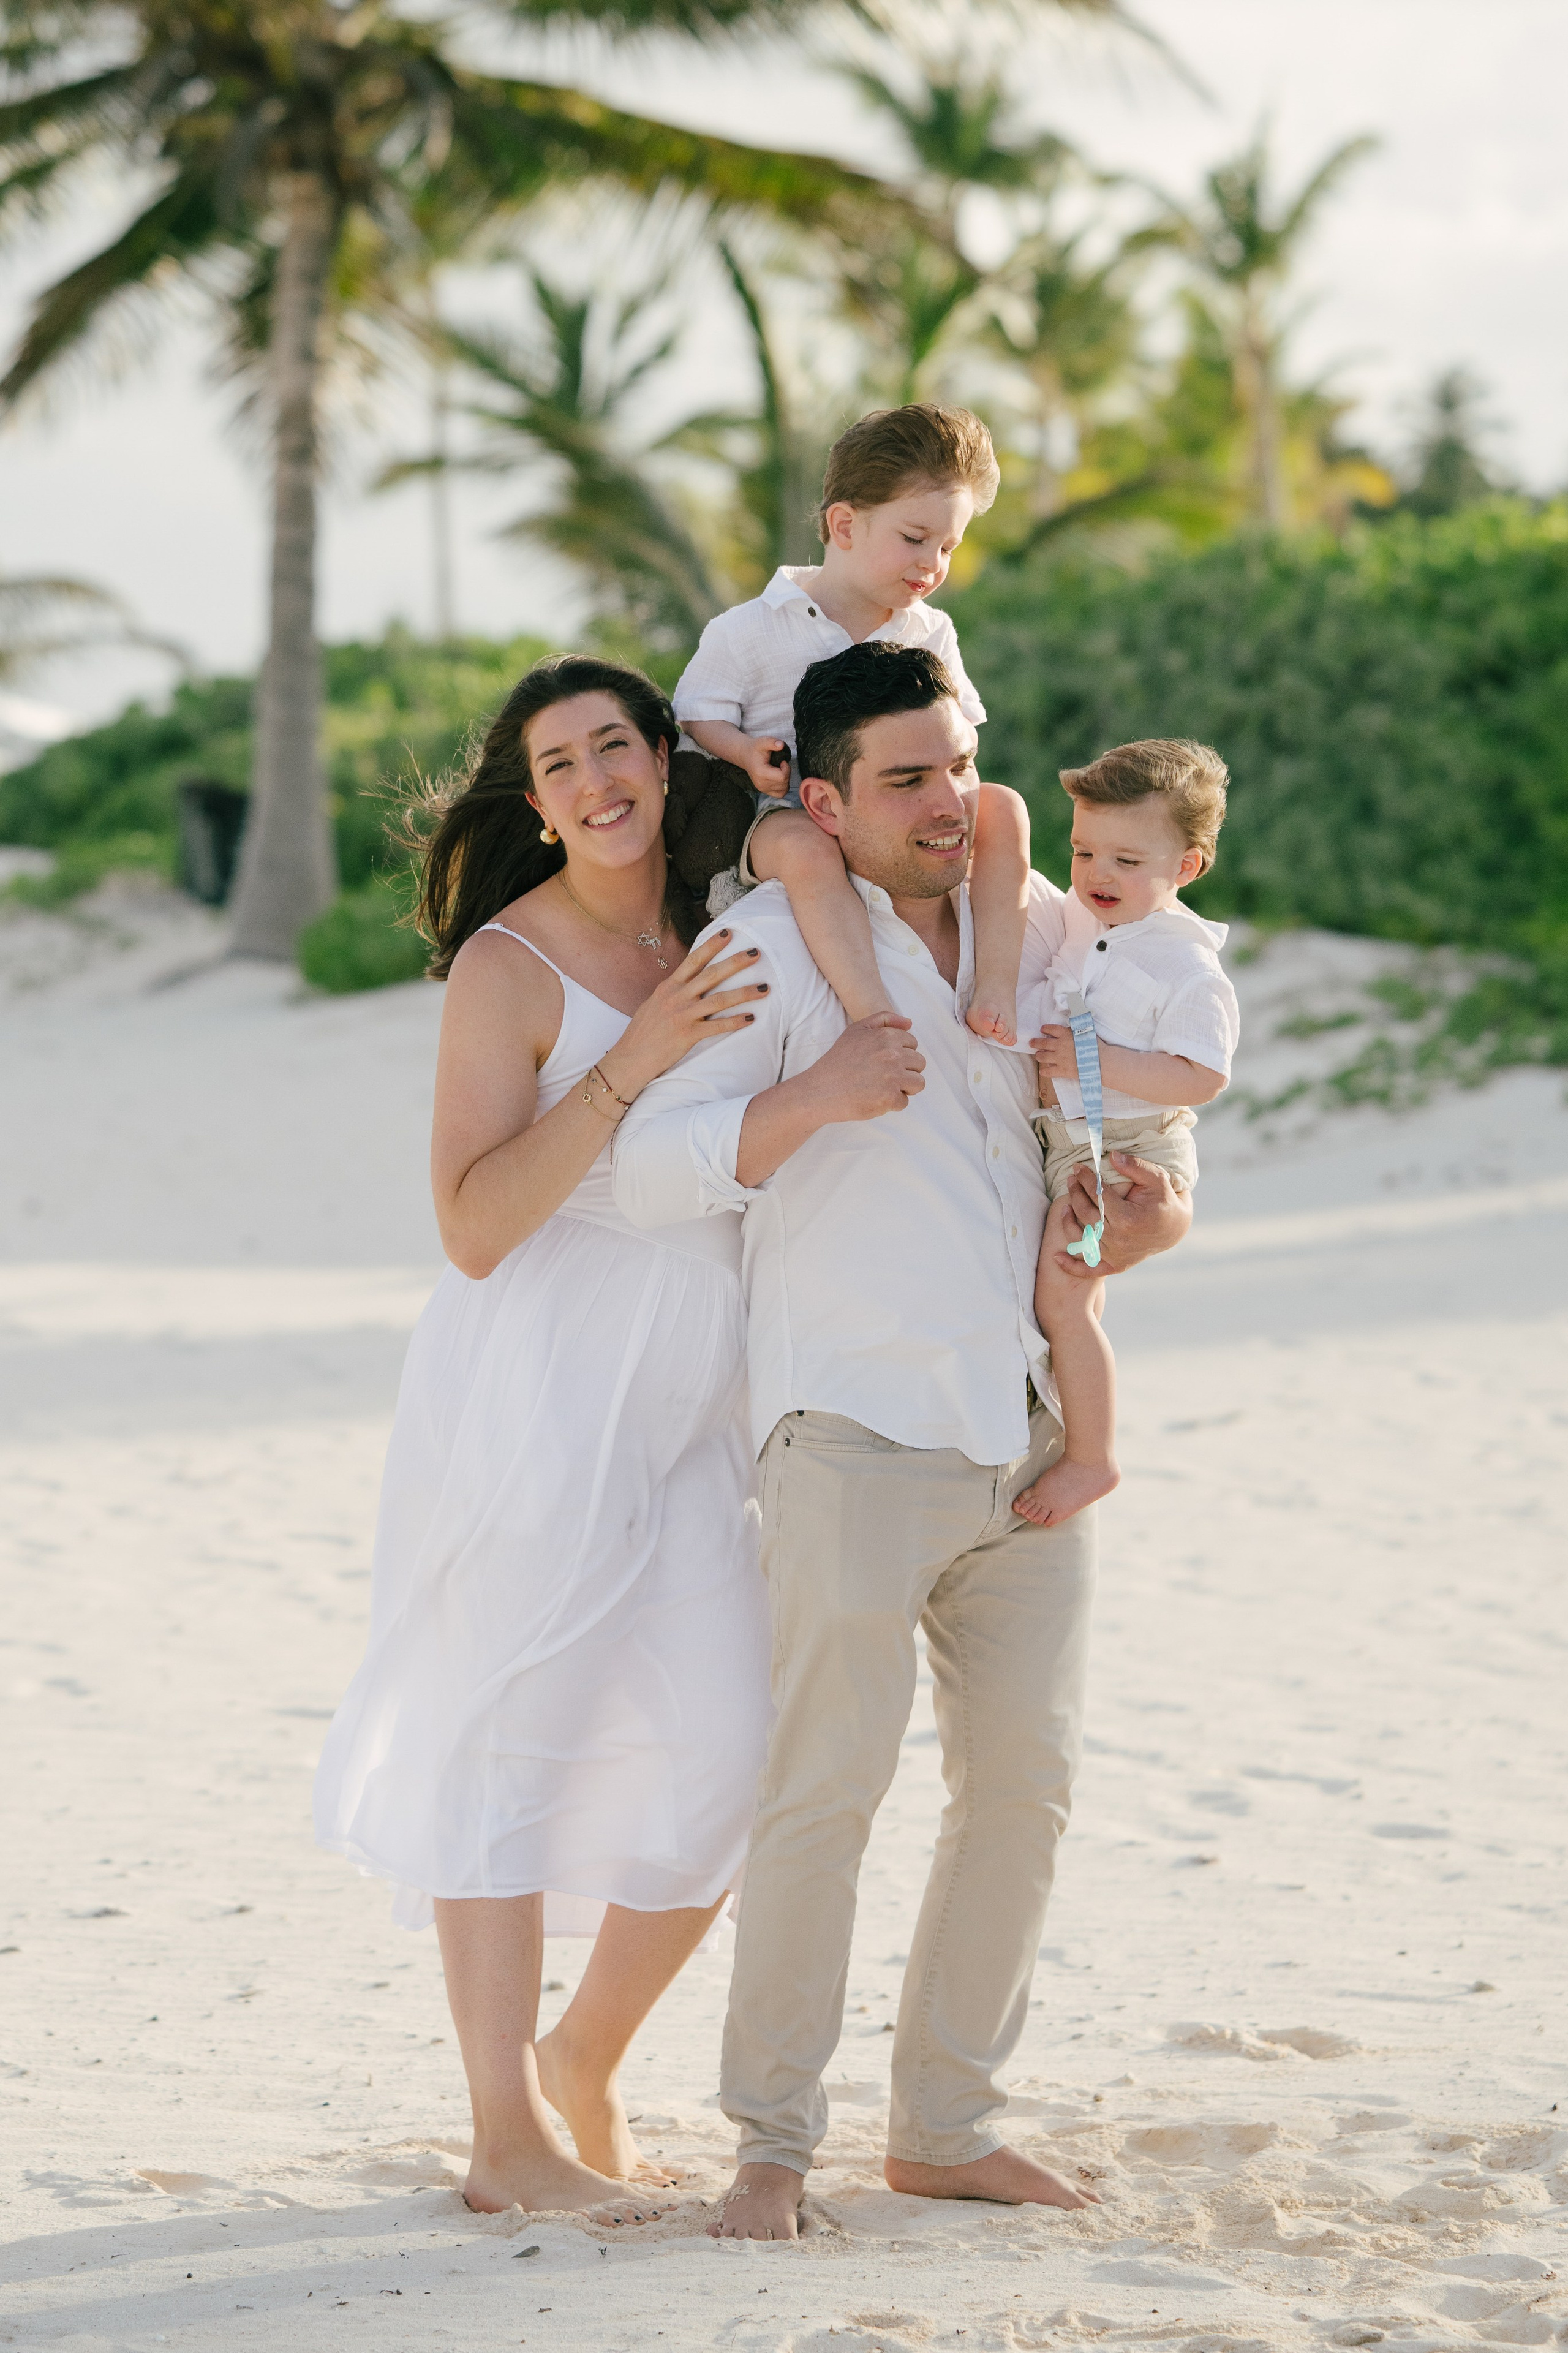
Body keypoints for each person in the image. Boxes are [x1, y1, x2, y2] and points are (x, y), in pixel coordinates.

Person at [612, 641, 1191, 2241]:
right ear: (819, 799)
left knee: (1030, 1787)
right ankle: (771, 2149)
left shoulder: (1052, 935)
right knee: (825, 1795)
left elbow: (1113, 1150)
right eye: (906, 780)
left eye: (955, 768)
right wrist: (816, 1101)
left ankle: (944, 2124)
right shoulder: (765, 947)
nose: (947, 804)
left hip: (1025, 1431)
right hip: (850, 1437)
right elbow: (652, 1167)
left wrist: (1138, 1217)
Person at [314, 655, 772, 2225]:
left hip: (694, 1407)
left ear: (660, 756)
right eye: (556, 762)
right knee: (507, 1749)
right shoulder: (508, 969)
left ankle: (583, 2056)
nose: (592, 780)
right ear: (531, 798)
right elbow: (470, 1224)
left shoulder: (725, 925)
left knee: (728, 1754)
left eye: (613, 745)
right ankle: (503, 2133)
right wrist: (632, 1064)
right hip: (539, 1400)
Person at [674, 402, 1034, 1046]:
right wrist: (746, 752)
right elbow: (697, 713)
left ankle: (997, 986)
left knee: (1005, 809)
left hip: (891, 818)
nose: (933, 562)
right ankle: (870, 1009)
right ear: (844, 524)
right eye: (914, 538)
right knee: (808, 851)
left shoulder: (931, 629)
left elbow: (962, 732)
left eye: (948, 546)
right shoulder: (752, 628)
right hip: (776, 812)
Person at [1011, 740, 1241, 1530]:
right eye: (1082, 851)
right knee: (1073, 1298)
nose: (1096, 873)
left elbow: (1201, 1077)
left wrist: (1096, 1059)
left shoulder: (1188, 967)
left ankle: (1092, 1455)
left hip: (1131, 1148)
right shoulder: (1084, 920)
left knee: (1065, 1298)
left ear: (1188, 866)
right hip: (1079, 1137)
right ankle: (1081, 1438)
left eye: (1125, 859)